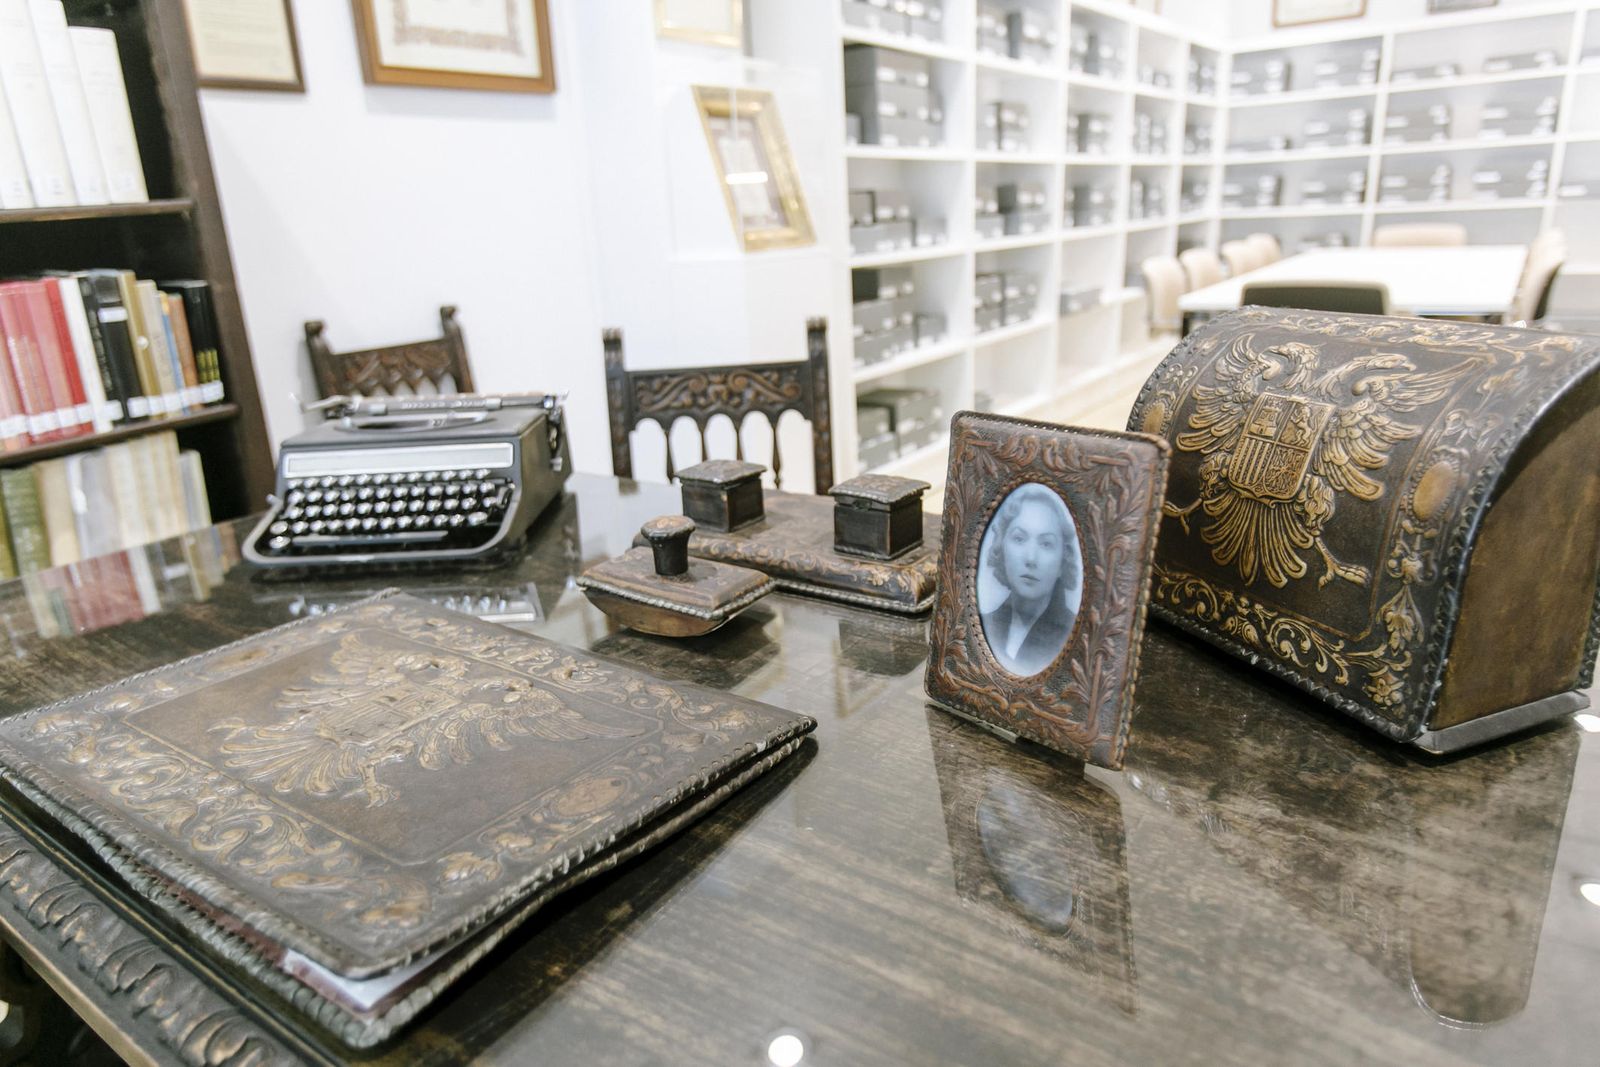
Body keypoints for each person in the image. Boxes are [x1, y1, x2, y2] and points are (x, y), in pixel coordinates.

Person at [980, 484, 1080, 676]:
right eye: (1019, 539)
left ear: (1063, 560)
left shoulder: (1074, 637)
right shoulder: (985, 624)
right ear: (1002, 547)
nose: (1031, 558)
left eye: (1046, 544)